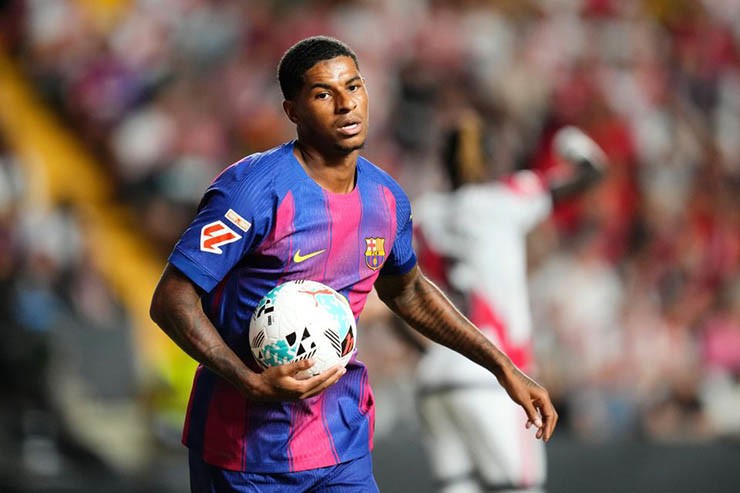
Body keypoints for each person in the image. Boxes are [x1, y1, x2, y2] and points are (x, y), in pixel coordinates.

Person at [149, 35, 558, 493]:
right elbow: (171, 299)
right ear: (293, 111)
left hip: (340, 447)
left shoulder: (386, 199)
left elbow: (409, 291)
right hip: (241, 454)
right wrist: (248, 381)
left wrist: (503, 367)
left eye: (354, 86)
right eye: (324, 94)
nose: (346, 104)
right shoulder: (251, 191)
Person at [411, 111, 606, 492]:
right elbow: (590, 174)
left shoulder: (424, 212)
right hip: (494, 368)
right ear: (488, 159)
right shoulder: (505, 199)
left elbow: (397, 296)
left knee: (459, 487)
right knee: (522, 487)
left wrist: (435, 353)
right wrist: (574, 147)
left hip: (435, 372)